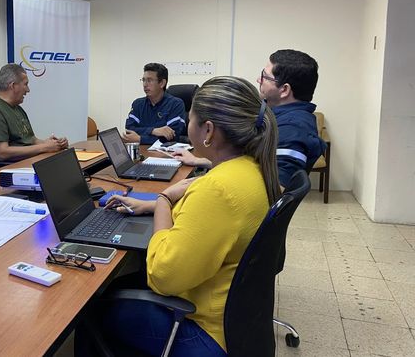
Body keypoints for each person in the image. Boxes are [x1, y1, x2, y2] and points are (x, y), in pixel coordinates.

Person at [77, 76, 281, 356]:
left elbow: (162, 276)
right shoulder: (250, 169)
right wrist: (148, 206)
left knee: (89, 306)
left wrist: (162, 201)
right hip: (237, 318)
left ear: (208, 130)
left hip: (204, 328)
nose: (187, 125)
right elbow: (211, 221)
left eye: (190, 119)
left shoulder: (217, 189)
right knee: (117, 285)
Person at [174, 49, 326, 187]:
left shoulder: (292, 128)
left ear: (284, 89)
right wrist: (198, 161)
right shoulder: (277, 116)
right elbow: (250, 162)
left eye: (265, 77)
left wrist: (203, 185)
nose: (259, 80)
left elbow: (276, 190)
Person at [0, 64, 68, 172]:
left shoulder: (17, 108)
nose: (28, 90)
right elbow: (2, 153)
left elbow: (32, 140)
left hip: (25, 165)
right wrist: (44, 147)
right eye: (25, 84)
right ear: (13, 86)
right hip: (4, 172)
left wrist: (53, 144)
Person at [122, 62, 186, 145]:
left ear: (162, 83)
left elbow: (172, 136)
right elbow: (129, 130)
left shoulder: (176, 104)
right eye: (143, 80)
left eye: (149, 80)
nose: (145, 84)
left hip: (165, 152)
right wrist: (153, 131)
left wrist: (140, 138)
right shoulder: (138, 104)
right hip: (141, 150)